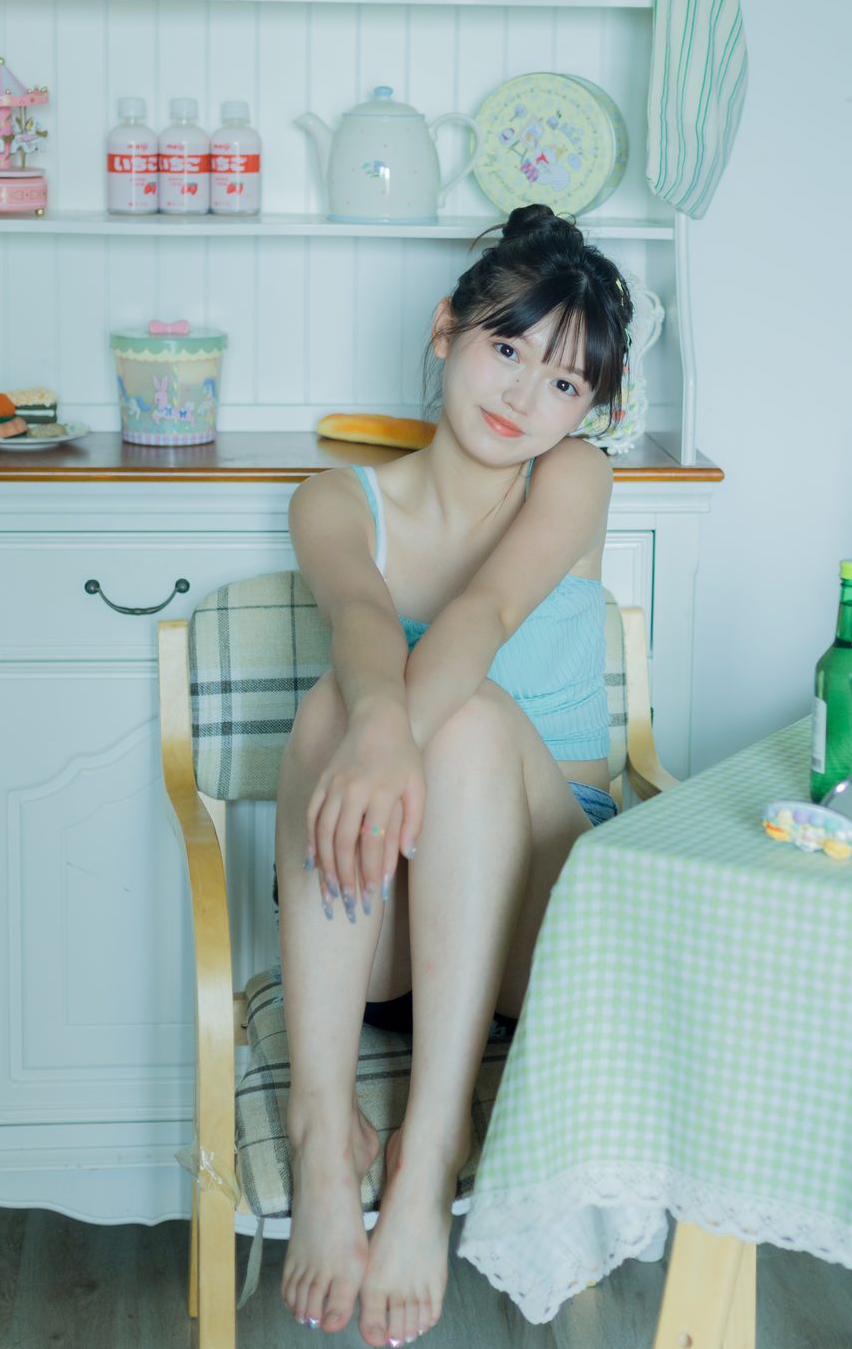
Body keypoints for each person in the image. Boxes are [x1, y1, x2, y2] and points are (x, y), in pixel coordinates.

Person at [275, 204, 634, 1341]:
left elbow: (480, 616)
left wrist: (387, 732)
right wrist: (374, 726)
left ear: (589, 411)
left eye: (565, 383)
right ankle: (324, 1136)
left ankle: (428, 1155)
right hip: (382, 921)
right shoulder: (336, 500)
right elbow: (361, 621)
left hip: (538, 922)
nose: (524, 397)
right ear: (446, 329)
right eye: (507, 347)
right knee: (339, 701)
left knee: (463, 718)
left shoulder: (572, 479)